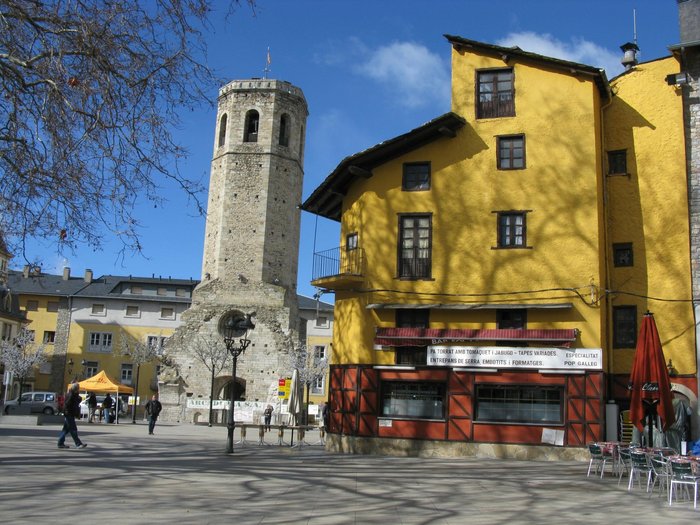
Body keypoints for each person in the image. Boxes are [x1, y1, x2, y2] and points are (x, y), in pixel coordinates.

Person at [57, 383, 87, 449]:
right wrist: (67, 411)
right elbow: (67, 404)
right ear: (76, 389)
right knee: (73, 429)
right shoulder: (70, 395)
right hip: (69, 414)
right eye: (78, 389)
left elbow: (78, 400)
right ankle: (78, 444)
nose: (79, 390)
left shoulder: (73, 394)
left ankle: (60, 443)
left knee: (65, 430)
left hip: (69, 414)